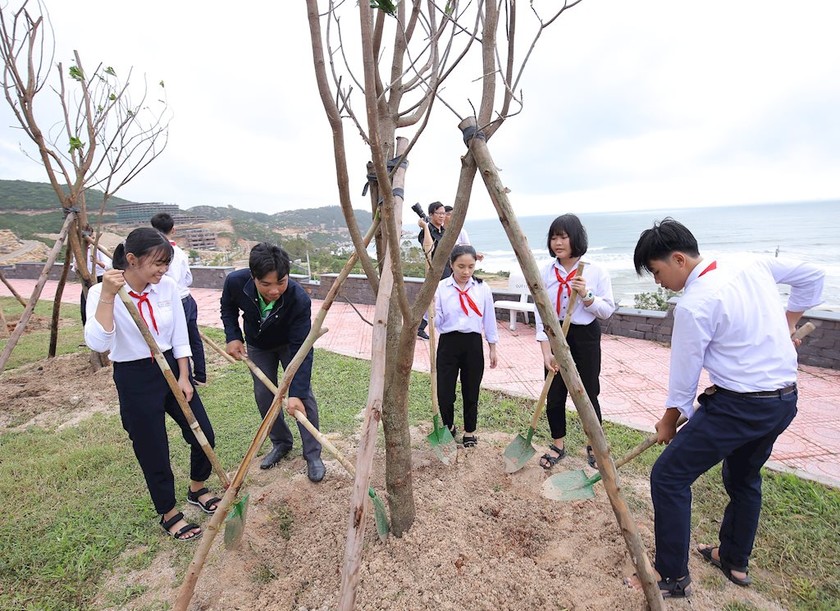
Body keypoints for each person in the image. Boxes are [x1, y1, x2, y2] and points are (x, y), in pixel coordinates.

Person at [627, 218, 824, 598]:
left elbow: (683, 379)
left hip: (739, 406)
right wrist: (791, 319)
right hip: (784, 401)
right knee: (744, 477)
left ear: (679, 259)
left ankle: (671, 576)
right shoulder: (749, 262)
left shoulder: (694, 304)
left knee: (668, 477)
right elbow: (813, 275)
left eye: (656, 271)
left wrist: (670, 421)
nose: (657, 281)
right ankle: (733, 559)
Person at [84, 227, 220, 541]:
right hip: (134, 376)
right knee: (153, 448)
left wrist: (185, 376)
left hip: (171, 366)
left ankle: (197, 487)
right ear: (131, 259)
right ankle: (169, 512)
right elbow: (98, 343)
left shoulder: (167, 286)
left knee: (203, 433)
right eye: (157, 263)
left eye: (166, 263)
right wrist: (106, 296)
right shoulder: (101, 293)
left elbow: (180, 336)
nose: (163, 270)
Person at [220, 242, 325, 481]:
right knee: (264, 395)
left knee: (303, 396)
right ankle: (281, 443)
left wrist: (295, 392)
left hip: (290, 345)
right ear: (253, 277)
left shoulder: (299, 298)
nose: (275, 290)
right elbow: (227, 308)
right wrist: (233, 336)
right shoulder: (236, 282)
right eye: (266, 284)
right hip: (258, 345)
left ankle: (313, 454)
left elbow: (302, 349)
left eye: (281, 282)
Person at [534, 214, 615, 469]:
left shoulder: (594, 270)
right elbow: (540, 312)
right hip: (556, 333)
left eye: (563, 236)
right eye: (554, 237)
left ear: (575, 238)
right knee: (554, 393)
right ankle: (558, 445)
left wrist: (586, 294)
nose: (558, 242)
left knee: (589, 393)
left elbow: (606, 310)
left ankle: (595, 446)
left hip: (585, 337)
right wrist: (546, 350)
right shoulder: (545, 271)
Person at [434, 245, 499, 446]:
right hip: (448, 344)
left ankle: (470, 431)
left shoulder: (482, 288)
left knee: (471, 391)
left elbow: (489, 319)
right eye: (461, 266)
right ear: (451, 265)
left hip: (472, 344)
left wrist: (492, 347)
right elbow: (436, 321)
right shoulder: (441, 288)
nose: (466, 272)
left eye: (470, 266)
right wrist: (432, 312)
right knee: (445, 392)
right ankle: (449, 426)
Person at [150, 213, 207, 385]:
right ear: (173, 229)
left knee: (176, 341)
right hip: (186, 298)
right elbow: (188, 278)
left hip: (171, 302)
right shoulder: (180, 252)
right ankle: (200, 376)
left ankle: (185, 378)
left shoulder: (152, 254)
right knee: (193, 337)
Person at [416, 201, 451, 340]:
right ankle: (419, 327)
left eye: (444, 213)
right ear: (431, 215)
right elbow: (428, 249)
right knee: (432, 300)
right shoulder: (426, 231)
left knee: (438, 300)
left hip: (447, 269)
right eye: (439, 213)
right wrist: (425, 226)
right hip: (435, 271)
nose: (442, 216)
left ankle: (420, 327)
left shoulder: (444, 231)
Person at [73, 242, 112, 325]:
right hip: (86, 281)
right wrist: (76, 266)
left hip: (100, 279)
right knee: (84, 309)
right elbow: (75, 267)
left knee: (101, 307)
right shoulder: (78, 250)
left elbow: (108, 266)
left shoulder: (100, 249)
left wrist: (97, 261)